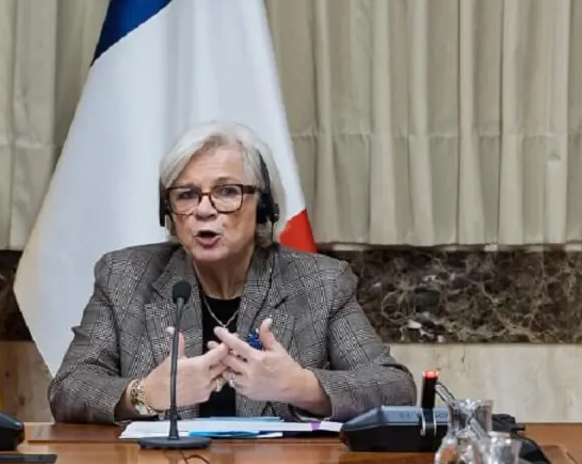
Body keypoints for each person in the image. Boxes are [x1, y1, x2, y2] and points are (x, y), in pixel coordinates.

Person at [48, 122, 415, 424]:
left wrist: (301, 386)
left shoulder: (320, 283)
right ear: (169, 212)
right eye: (186, 195)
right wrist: (144, 395)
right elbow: (69, 388)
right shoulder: (125, 276)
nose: (204, 210)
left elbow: (395, 388)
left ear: (264, 207)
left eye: (227, 191)